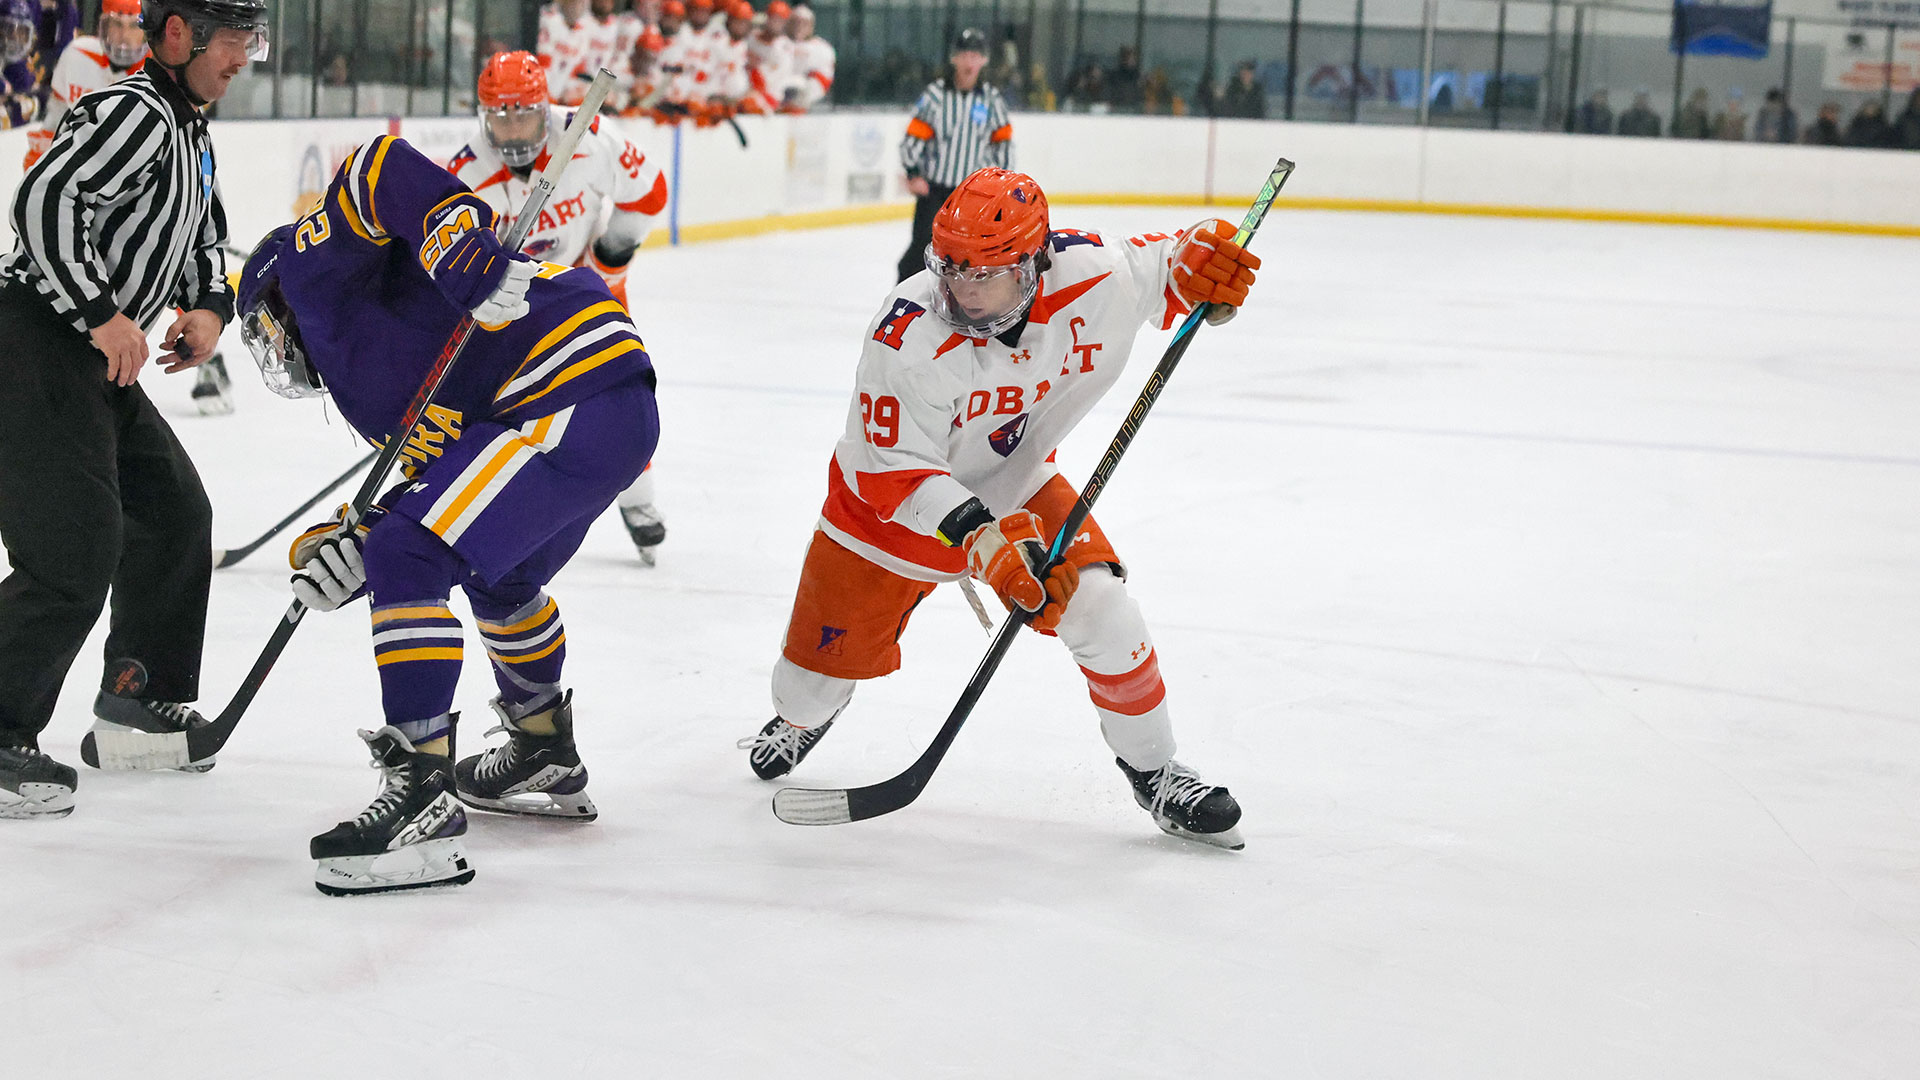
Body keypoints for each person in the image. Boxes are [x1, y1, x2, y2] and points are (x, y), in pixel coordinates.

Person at [738, 168, 1259, 849]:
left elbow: (1168, 264)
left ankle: (1156, 771)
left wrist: (1201, 258)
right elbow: (897, 475)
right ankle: (809, 715)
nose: (965, 290)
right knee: (799, 693)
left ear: (1035, 262)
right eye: (952, 270)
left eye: (987, 275)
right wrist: (988, 546)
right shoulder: (906, 337)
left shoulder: (1092, 277)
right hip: (882, 520)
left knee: (1103, 607)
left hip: (1015, 484)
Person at [235, 133, 659, 894]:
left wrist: (455, 240)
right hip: (592, 409)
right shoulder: (368, 390)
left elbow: (379, 167)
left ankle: (421, 792)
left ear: (278, 302)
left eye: (263, 328)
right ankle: (542, 745)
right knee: (491, 572)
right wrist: (351, 541)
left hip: (563, 388)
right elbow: (448, 479)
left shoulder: (310, 273)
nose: (273, 347)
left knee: (411, 554)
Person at [0, 0, 266, 819]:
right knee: (76, 547)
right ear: (178, 34)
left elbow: (203, 240)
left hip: (89, 357)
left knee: (175, 513)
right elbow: (43, 204)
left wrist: (208, 307)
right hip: (37, 342)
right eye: (232, 39)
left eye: (251, 42)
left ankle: (135, 697)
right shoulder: (133, 112)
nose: (243, 58)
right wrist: (104, 314)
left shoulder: (189, 133)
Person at [451, 51, 670, 564]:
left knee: (614, 392)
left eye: (521, 112)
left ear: (543, 105)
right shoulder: (465, 170)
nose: (510, 128)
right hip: (512, 305)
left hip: (588, 288)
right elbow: (450, 254)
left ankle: (638, 501)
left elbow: (650, 193)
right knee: (505, 412)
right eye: (497, 116)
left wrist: (610, 261)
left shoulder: (589, 136)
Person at [895, 28, 1010, 283]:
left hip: (972, 196)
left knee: (969, 257)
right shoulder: (936, 95)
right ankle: (903, 305)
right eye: (965, 55)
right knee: (920, 253)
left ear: (984, 60)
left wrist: (1002, 185)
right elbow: (914, 137)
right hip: (935, 191)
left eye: (975, 55)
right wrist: (913, 172)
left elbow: (1002, 145)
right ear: (954, 58)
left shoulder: (991, 99)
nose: (970, 61)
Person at [0, 0, 41, 130]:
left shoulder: (20, 64)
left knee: (29, 106)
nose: (14, 38)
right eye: (7, 30)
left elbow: (24, 84)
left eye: (21, 33)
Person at [784, 2, 833, 111]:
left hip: (810, 103)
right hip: (778, 97)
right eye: (795, 22)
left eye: (804, 23)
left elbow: (823, 80)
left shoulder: (822, 48)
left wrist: (804, 98)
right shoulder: (779, 43)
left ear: (811, 26)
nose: (799, 27)